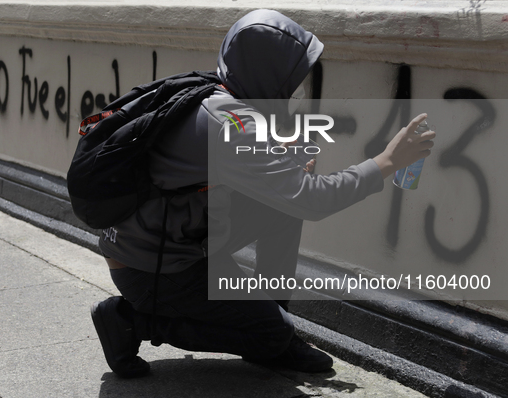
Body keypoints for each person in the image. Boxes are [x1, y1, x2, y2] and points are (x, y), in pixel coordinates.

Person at [90, 9, 435, 378]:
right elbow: (311, 200)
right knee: (273, 333)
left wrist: (284, 175)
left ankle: (270, 321)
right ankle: (133, 321)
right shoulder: (234, 124)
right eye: (291, 77)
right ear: (269, 74)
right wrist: (386, 161)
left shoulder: (215, 94)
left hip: (166, 243)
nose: (295, 89)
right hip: (152, 269)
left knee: (282, 209)